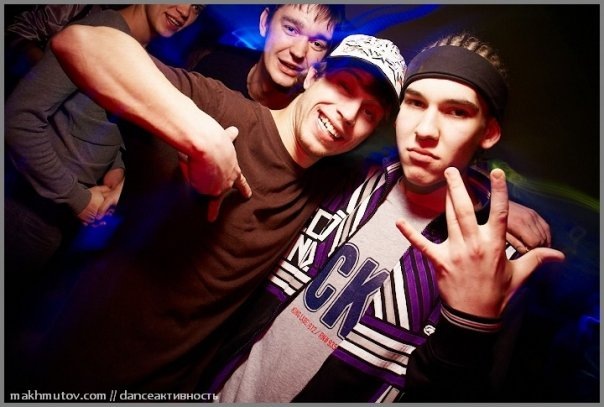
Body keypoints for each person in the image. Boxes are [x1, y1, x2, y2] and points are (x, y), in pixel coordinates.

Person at [9, 32, 405, 394]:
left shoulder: (332, 184)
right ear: (312, 76)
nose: (348, 114)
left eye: (369, 113)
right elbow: (80, 43)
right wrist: (200, 136)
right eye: (343, 86)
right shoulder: (222, 109)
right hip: (78, 370)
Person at [199, 32, 565, 402]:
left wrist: (468, 327)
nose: (426, 130)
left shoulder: (496, 262)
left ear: (488, 132)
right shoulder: (344, 179)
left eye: (457, 111)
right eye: (415, 103)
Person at [5, 4, 204, 279]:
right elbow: (17, 120)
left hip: (55, 218)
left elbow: (97, 117)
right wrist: (78, 199)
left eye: (197, 7)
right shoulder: (101, 30)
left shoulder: (134, 52)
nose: (184, 11)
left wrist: (115, 166)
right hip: (23, 209)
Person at [193, 4, 346, 109]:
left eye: (317, 44)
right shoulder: (215, 68)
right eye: (291, 29)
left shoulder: (309, 122)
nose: (299, 52)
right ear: (265, 22)